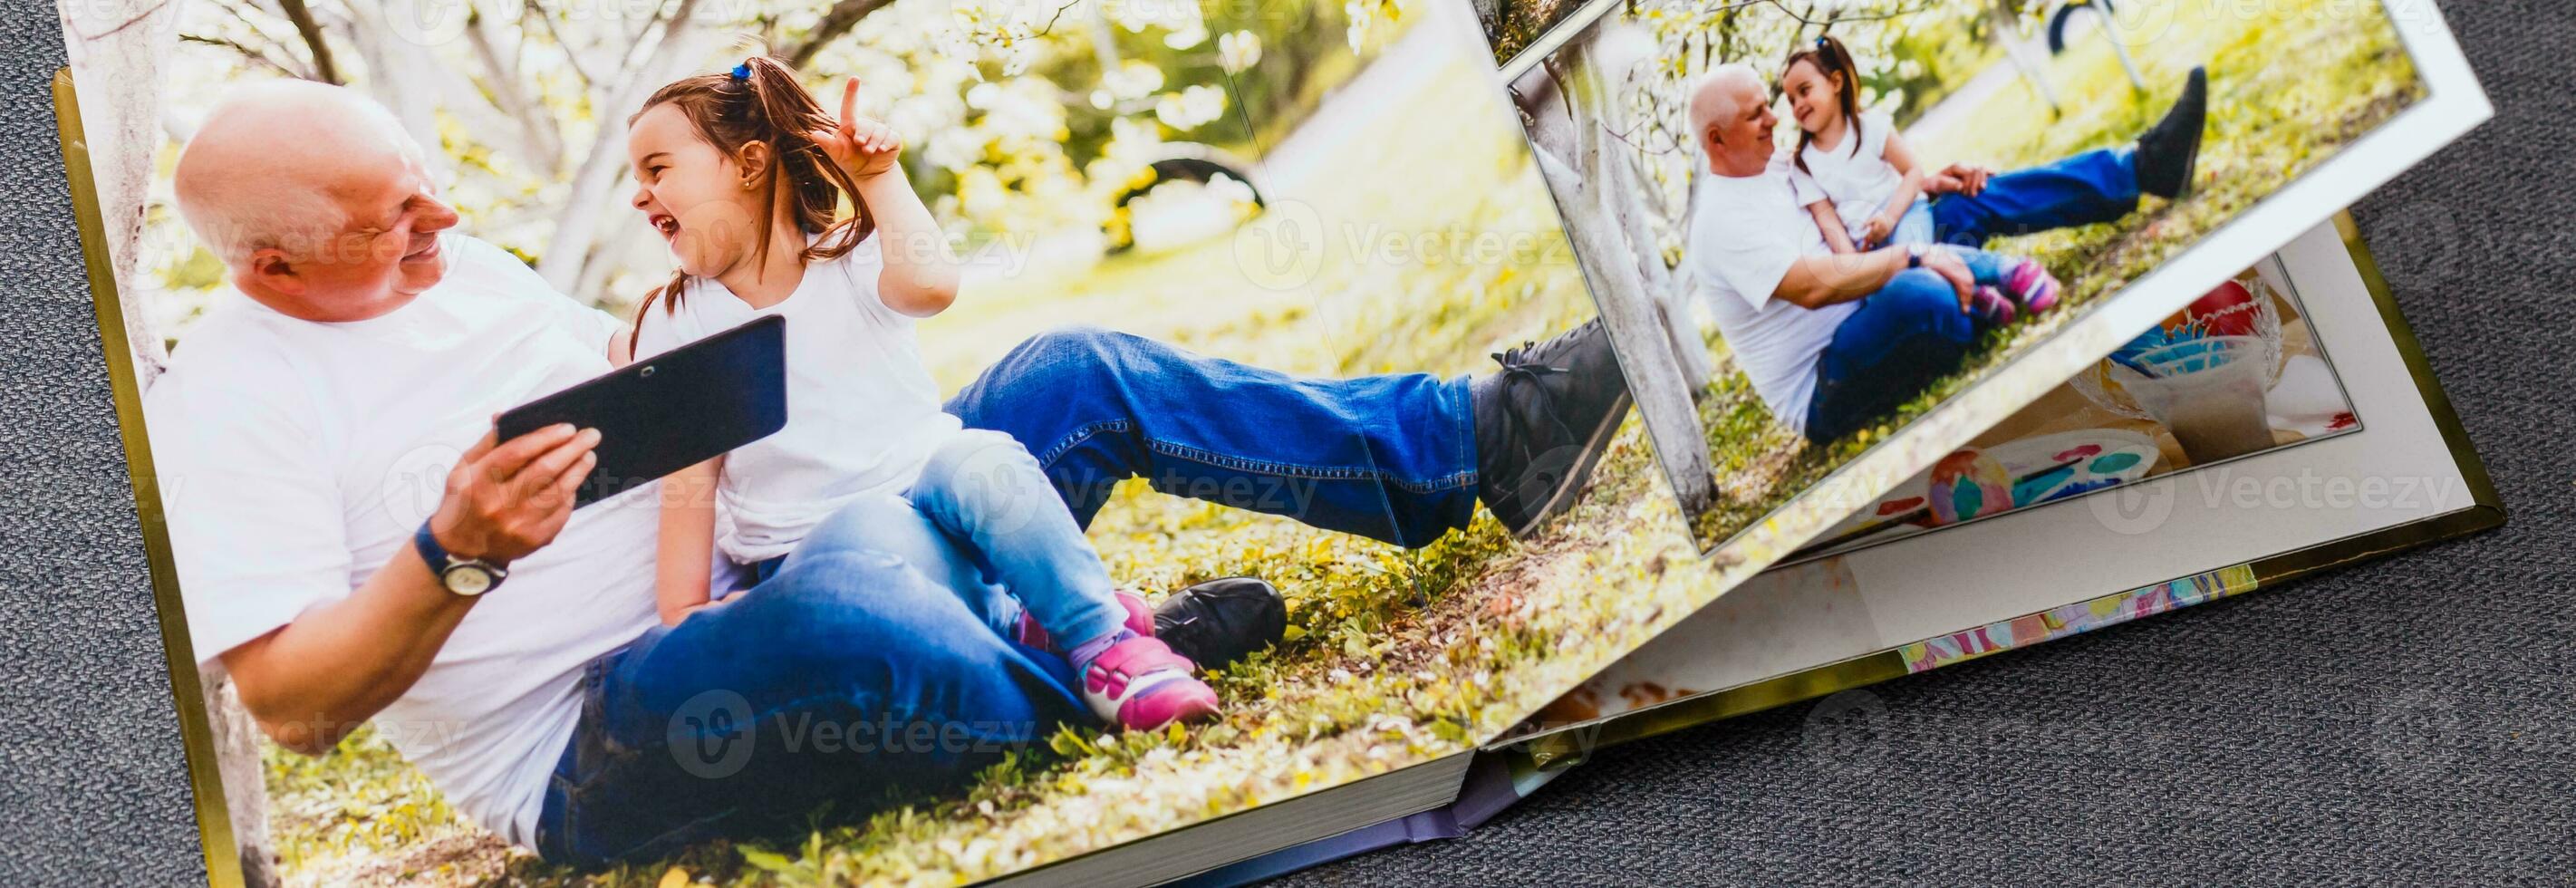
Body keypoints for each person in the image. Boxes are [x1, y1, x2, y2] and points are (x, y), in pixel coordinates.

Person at [150, 76, 1628, 868]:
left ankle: (1470, 447)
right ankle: (1101, 649)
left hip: (778, 545)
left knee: (1062, 381)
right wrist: (451, 554)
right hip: (614, 722)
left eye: (428, 179)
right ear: (273, 262)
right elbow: (289, 708)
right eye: (393, 218)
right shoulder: (236, 400)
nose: (445, 216)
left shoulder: (456, 258)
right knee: (859, 614)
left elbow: (653, 397)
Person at [622, 58, 1217, 731]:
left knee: (980, 457)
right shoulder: (673, 325)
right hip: (826, 563)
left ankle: (1104, 645)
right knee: (875, 525)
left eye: (657, 169)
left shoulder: (848, 260)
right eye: (636, 178)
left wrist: (877, 176)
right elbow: (688, 467)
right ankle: (1036, 628)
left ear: (750, 163)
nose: (638, 196)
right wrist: (685, 609)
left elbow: (932, 286)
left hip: (946, 520)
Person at [1684, 61, 2206, 444]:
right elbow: (1815, 287)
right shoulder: (1721, 223)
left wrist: (1934, 182)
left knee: (1965, 202)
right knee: (1922, 293)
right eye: (1756, 116)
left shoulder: (1775, 165)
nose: (1775, 121)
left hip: (1876, 293)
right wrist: (1914, 254)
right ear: (1717, 139)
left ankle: (2143, 168)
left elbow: (1854, 204)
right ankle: (1977, 298)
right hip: (1830, 379)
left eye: (1768, 109)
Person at [1780, 35, 2061, 318]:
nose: (1798, 105)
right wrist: (1855, 267)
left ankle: (2012, 271)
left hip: (1905, 212)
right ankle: (1977, 298)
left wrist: (1889, 218)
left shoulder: (1871, 127)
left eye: (1804, 91)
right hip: (1868, 247)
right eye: (1791, 100)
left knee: (1919, 258)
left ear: (1836, 83)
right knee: (1885, 295)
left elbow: (1913, 172)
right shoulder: (1803, 164)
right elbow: (1829, 223)